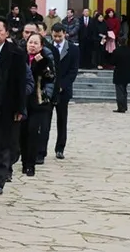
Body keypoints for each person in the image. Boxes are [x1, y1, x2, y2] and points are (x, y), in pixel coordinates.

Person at [0, 16, 27, 195]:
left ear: (7, 33)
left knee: (3, 144)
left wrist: (20, 107)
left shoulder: (16, 53)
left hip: (7, 105)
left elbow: (21, 82)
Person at [39, 23, 79, 161]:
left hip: (63, 90)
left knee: (62, 120)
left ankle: (60, 148)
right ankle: (41, 150)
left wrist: (62, 85)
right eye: (54, 36)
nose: (56, 39)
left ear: (64, 33)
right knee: (45, 121)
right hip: (49, 90)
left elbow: (73, 71)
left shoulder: (73, 49)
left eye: (59, 36)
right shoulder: (46, 48)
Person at [21, 34, 56, 177]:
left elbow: (50, 77)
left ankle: (31, 164)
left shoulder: (45, 60)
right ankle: (24, 161)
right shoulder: (20, 58)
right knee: (22, 134)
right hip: (22, 101)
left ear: (41, 46)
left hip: (38, 102)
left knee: (33, 132)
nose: (32, 45)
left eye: (36, 43)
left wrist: (39, 64)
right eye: (30, 42)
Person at [112, 38, 130, 113]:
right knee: (124, 91)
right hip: (127, 72)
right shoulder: (129, 51)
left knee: (119, 91)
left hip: (118, 73)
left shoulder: (116, 51)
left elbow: (113, 62)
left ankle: (121, 107)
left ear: (118, 43)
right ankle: (125, 106)